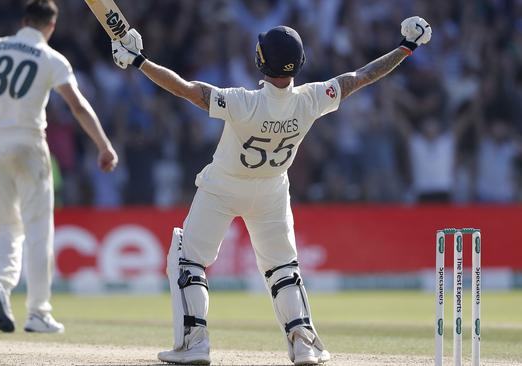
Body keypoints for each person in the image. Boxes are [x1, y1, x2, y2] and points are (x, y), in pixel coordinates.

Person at [112, 16, 431, 365]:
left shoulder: (241, 102)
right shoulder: (311, 99)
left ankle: (194, 343)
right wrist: (406, 47)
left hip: (222, 187)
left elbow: (185, 88)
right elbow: (362, 77)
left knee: (189, 261)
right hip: (272, 191)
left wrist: (140, 61)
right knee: (283, 268)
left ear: (259, 60)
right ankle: (304, 344)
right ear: (301, 62)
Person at [0, 0, 118, 333]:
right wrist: (104, 145)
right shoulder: (53, 58)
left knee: (9, 226)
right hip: (29, 144)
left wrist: (6, 101)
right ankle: (38, 313)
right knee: (38, 230)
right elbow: (77, 106)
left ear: (24, 21)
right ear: (51, 27)